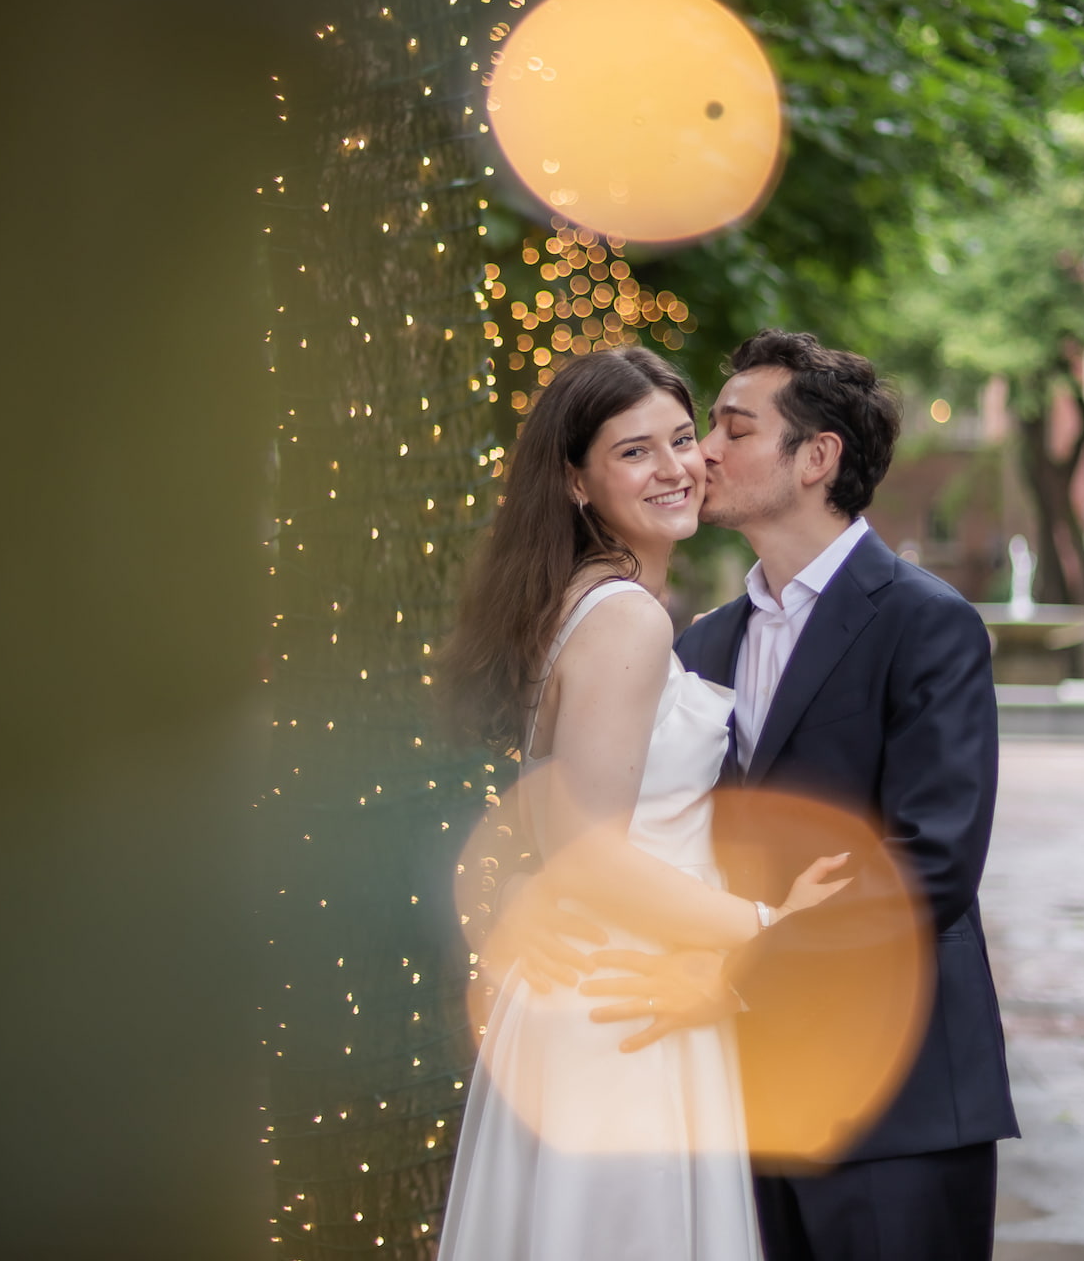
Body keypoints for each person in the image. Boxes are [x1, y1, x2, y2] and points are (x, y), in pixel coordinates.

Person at [582, 330, 1020, 1261]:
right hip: (739, 1105)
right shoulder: (700, 646)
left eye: (733, 430)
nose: (701, 453)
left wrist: (731, 973)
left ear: (817, 458)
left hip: (894, 1107)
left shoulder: (928, 625)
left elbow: (927, 867)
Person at [435, 346, 848, 1261]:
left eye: (682, 438)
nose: (675, 469)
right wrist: (760, 920)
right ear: (577, 483)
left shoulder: (590, 604)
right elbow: (586, 851)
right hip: (627, 996)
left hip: (608, 982)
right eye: (633, 452)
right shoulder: (626, 617)